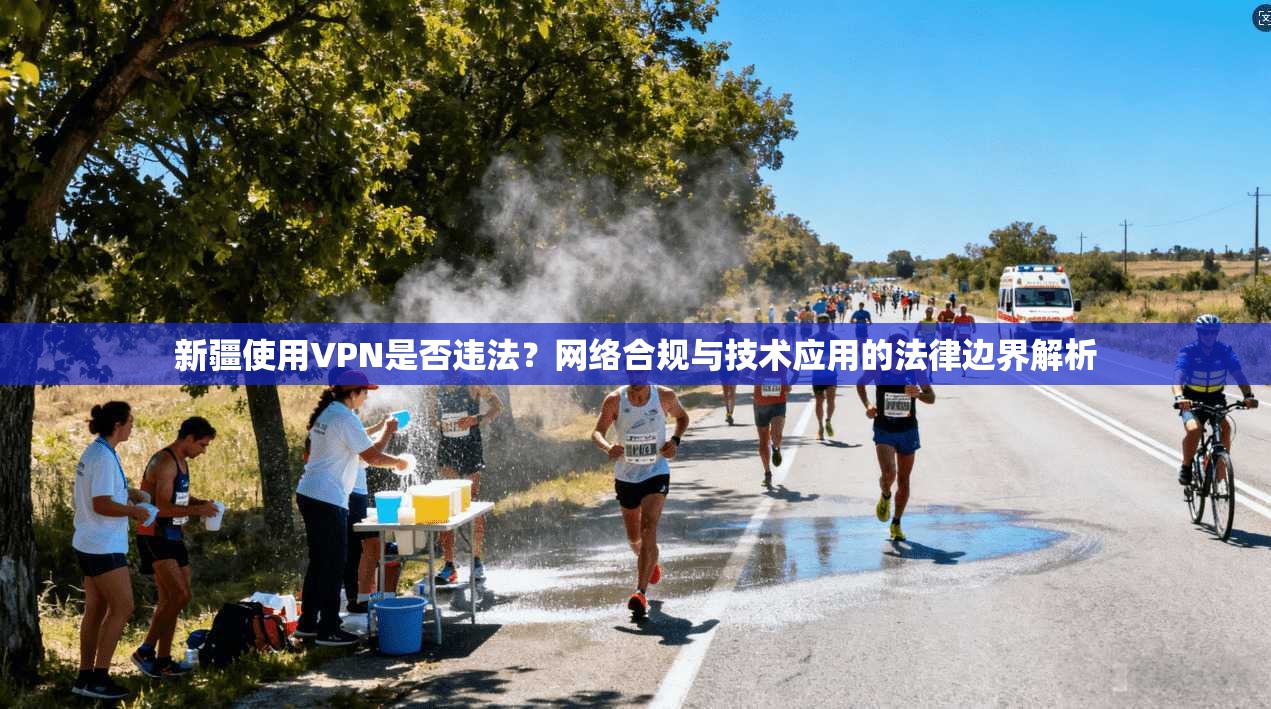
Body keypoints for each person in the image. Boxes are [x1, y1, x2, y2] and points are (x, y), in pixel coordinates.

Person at [295, 371, 407, 647]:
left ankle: (308, 624)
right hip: (327, 499)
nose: (366, 397)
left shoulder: (328, 414)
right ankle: (329, 629)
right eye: (364, 392)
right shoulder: (344, 418)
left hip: (311, 493)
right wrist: (399, 462)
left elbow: (361, 454)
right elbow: (372, 457)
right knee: (333, 564)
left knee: (319, 562)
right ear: (353, 393)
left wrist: (383, 439)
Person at [591, 374, 690, 621]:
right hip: (626, 476)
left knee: (649, 527)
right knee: (634, 538)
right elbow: (597, 432)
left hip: (656, 471)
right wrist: (608, 447)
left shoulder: (664, 396)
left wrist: (675, 441)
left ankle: (640, 593)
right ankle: (650, 559)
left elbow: (682, 417)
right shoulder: (614, 400)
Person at [72, 402, 152, 700]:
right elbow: (101, 503)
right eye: (130, 421)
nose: (133, 426)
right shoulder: (104, 458)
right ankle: (99, 678)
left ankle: (84, 677)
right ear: (118, 424)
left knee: (96, 610)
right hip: (103, 545)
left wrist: (129, 493)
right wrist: (134, 511)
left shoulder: (97, 451)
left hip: (88, 541)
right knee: (123, 607)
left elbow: (101, 492)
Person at [132, 417, 220, 679]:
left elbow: (176, 498)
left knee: (171, 600)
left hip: (173, 535)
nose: (204, 452)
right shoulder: (165, 462)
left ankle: (163, 661)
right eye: (202, 445)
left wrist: (199, 503)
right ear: (189, 438)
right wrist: (197, 511)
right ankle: (145, 651)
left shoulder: (182, 460)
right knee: (180, 596)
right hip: (155, 535)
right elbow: (161, 508)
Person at [857, 334, 936, 542]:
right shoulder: (878, 367)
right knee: (889, 474)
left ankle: (896, 523)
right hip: (884, 429)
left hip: (908, 430)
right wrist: (868, 405)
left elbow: (931, 397)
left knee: (903, 479)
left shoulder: (916, 368)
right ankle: (885, 495)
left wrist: (918, 394)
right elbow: (860, 384)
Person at [432, 374, 504, 586]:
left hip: (470, 449)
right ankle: (449, 565)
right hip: (448, 450)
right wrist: (438, 422)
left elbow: (497, 407)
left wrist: (477, 419)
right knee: (447, 505)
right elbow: (431, 418)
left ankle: (477, 560)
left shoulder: (474, 382)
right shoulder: (435, 386)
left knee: (471, 503)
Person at [1174, 314, 1258, 485]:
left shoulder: (1225, 351)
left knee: (1225, 428)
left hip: (1215, 398)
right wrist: (1180, 397)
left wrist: (1248, 396)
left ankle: (1221, 473)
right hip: (1191, 399)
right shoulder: (1189, 351)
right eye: (1205, 332)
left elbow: (1239, 375)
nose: (1209, 336)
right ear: (1199, 333)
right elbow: (1178, 378)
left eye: (1213, 332)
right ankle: (1186, 466)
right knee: (1194, 430)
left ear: (1217, 333)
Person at [753, 327, 792, 486]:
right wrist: (757, 379)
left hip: (778, 400)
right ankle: (767, 472)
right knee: (763, 441)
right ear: (765, 339)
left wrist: (789, 384)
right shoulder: (758, 355)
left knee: (777, 434)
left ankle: (776, 447)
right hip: (760, 403)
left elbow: (796, 369)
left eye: (774, 338)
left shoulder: (783, 354)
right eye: (769, 338)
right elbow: (744, 374)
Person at [811, 314, 839, 441]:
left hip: (831, 374)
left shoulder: (834, 338)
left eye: (825, 323)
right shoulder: (812, 339)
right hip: (817, 375)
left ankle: (828, 420)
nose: (823, 325)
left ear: (828, 324)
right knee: (819, 401)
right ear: (818, 324)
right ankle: (820, 427)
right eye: (821, 323)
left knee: (831, 400)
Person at [718, 318, 740, 426]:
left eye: (731, 325)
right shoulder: (719, 337)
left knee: (732, 390)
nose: (729, 327)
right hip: (723, 367)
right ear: (724, 326)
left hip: (734, 366)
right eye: (727, 325)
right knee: (726, 392)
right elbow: (713, 349)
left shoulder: (737, 336)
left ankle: (731, 413)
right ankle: (728, 413)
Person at [914, 306, 940, 383]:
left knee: (932, 361)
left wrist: (936, 337)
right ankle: (925, 376)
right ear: (925, 312)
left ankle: (930, 376)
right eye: (928, 312)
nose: (929, 314)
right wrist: (921, 336)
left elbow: (939, 332)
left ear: (932, 313)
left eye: (930, 312)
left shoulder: (935, 322)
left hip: (932, 344)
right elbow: (915, 333)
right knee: (925, 362)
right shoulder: (921, 322)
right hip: (924, 344)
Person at [953, 305, 977, 377]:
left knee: (966, 354)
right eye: (962, 309)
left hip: (967, 338)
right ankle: (963, 371)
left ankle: (964, 365)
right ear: (960, 310)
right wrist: (956, 328)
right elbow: (954, 326)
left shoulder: (970, 317)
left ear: (966, 310)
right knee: (961, 354)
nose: (963, 311)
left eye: (964, 309)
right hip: (959, 338)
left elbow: (974, 325)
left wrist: (973, 328)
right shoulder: (957, 317)